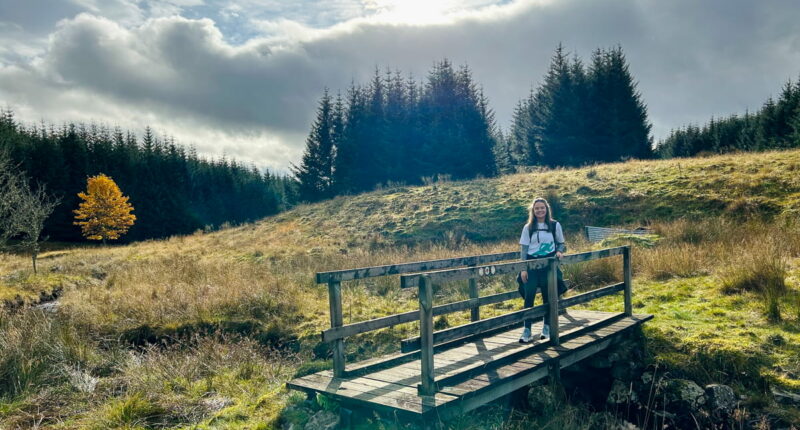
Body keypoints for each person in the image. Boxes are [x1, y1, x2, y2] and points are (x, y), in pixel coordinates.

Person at [517, 197, 566, 343]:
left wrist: (559, 251)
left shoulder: (554, 225)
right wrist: (523, 268)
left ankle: (546, 327)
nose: (540, 210)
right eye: (537, 208)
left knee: (548, 295)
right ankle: (527, 330)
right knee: (529, 294)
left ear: (547, 209)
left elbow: (561, 243)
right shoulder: (528, 227)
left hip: (548, 265)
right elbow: (524, 250)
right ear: (533, 210)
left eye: (542, 208)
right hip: (532, 265)